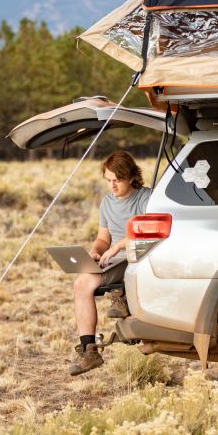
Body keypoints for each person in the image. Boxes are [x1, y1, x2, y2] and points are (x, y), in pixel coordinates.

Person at [70, 151, 151, 376]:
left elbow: (146, 231)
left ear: (132, 177)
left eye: (117, 181)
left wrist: (118, 247)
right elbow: (103, 238)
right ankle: (89, 350)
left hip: (136, 256)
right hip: (112, 259)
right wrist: (96, 251)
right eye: (108, 181)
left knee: (91, 278)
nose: (112, 186)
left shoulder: (146, 197)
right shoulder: (107, 201)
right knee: (81, 284)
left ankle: (121, 294)